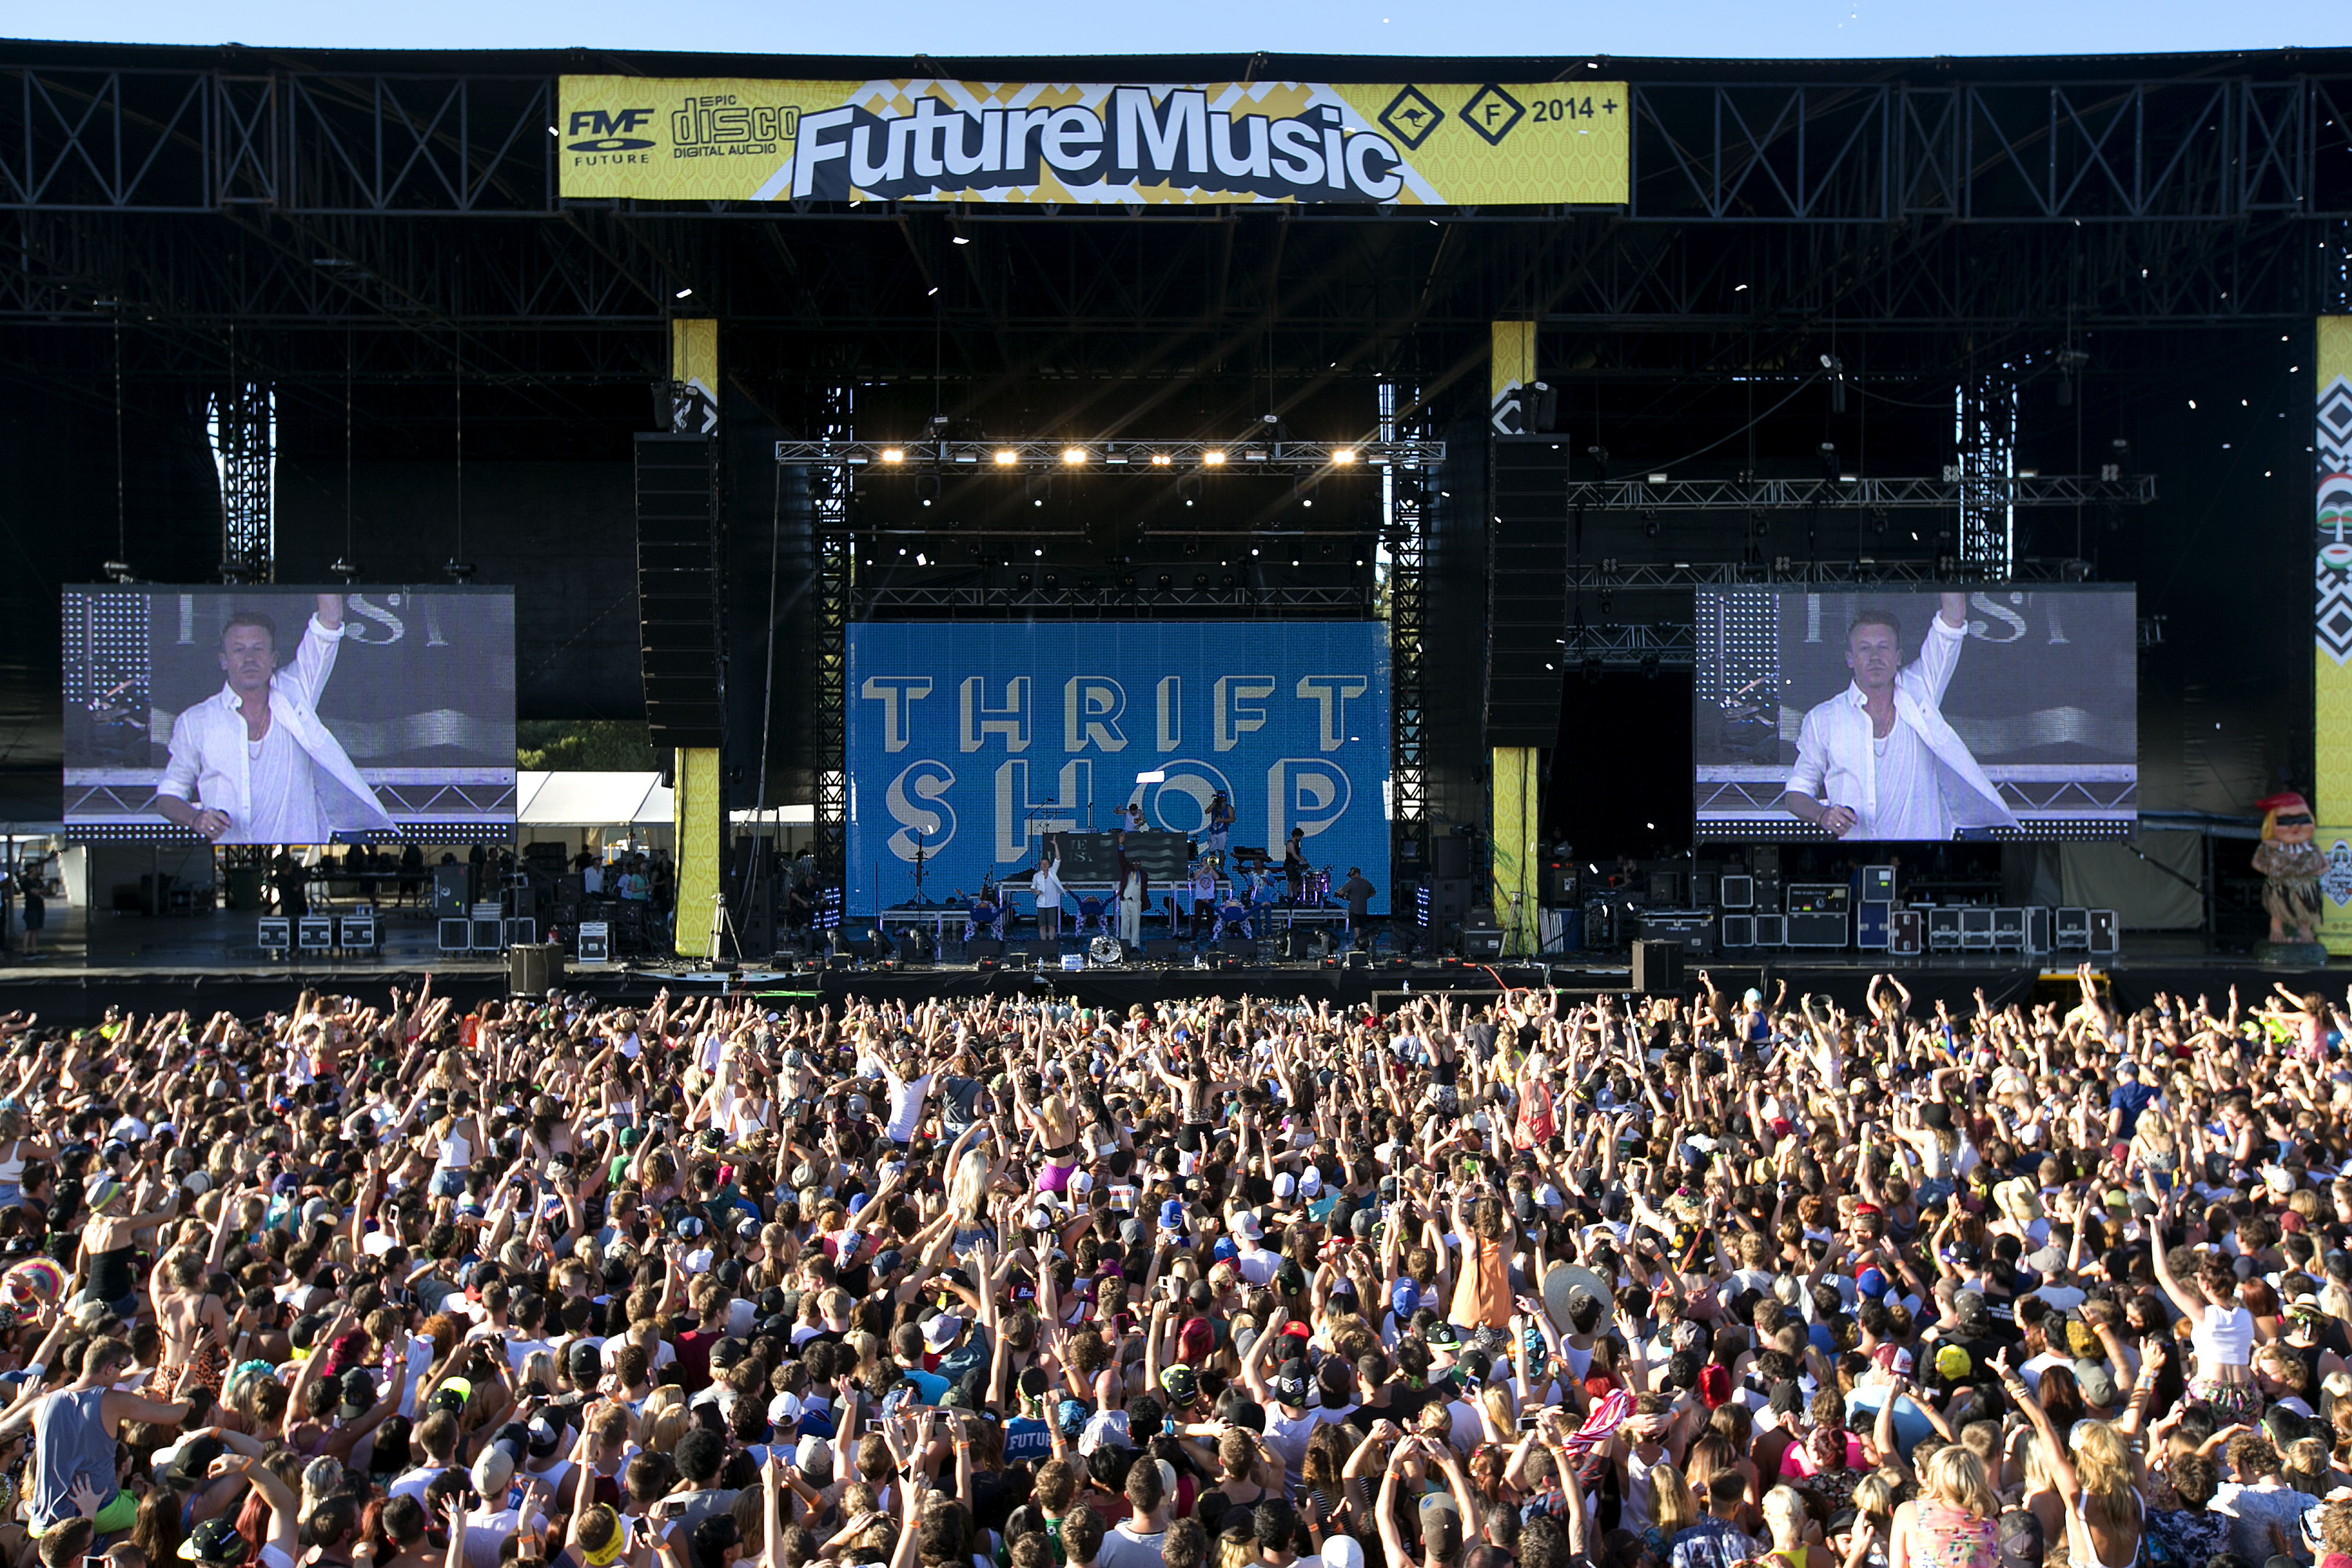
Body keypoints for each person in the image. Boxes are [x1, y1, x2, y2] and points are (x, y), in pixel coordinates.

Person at [152, 594, 395, 845]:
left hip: (300, 862)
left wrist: (322, 560)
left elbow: (329, 622)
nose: (249, 659)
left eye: (258, 649)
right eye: (238, 650)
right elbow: (168, 796)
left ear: (274, 659)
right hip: (231, 860)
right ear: (223, 661)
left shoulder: (296, 692)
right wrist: (196, 819)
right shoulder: (196, 721)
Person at [1779, 594, 2018, 841]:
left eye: (1883, 647)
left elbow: (1953, 619)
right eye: (1864, 648)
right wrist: (1822, 815)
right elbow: (1796, 794)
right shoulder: (1823, 719)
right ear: (1850, 659)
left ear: (1898, 657)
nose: (1874, 657)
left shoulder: (1921, 689)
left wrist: (1947, 562)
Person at [1338, 868, 1375, 952]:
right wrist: (1366, 897)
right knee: (1361, 927)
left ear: (1353, 874)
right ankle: (1361, 943)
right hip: (1364, 909)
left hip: (1354, 909)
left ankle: (1357, 943)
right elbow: (1373, 893)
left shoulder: (1352, 883)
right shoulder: (1367, 883)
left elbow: (1341, 893)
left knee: (1356, 927)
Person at [1033, 854, 1066, 947]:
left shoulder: (1052, 872)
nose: (1044, 866)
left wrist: (1055, 845)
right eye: (1043, 864)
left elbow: (1058, 859)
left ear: (1049, 865)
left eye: (1046, 864)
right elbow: (1032, 887)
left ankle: (1051, 943)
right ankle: (1044, 943)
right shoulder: (1037, 876)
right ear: (1040, 865)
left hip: (1052, 903)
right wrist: (1036, 892)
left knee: (1051, 925)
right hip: (1041, 904)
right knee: (1042, 926)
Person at [1282, 829, 1308, 902]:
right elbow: (1294, 855)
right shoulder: (1290, 843)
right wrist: (1302, 861)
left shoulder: (1296, 843)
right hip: (1290, 865)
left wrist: (1305, 861)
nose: (1300, 839)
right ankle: (1289, 897)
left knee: (1297, 881)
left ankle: (1295, 896)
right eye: (1300, 837)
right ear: (1296, 835)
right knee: (1291, 881)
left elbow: (1298, 854)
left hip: (1296, 865)